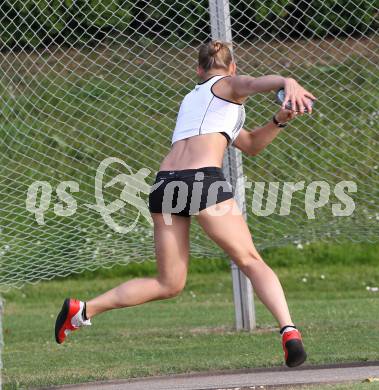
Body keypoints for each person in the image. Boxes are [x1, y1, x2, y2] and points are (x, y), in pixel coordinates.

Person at [55, 40, 316, 368]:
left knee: (169, 283)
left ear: (197, 69)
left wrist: (279, 120)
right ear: (231, 67)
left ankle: (84, 310)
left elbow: (249, 145)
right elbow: (251, 84)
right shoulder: (227, 83)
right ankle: (289, 331)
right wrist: (286, 82)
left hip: (166, 185)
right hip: (200, 180)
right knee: (250, 260)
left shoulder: (196, 100)